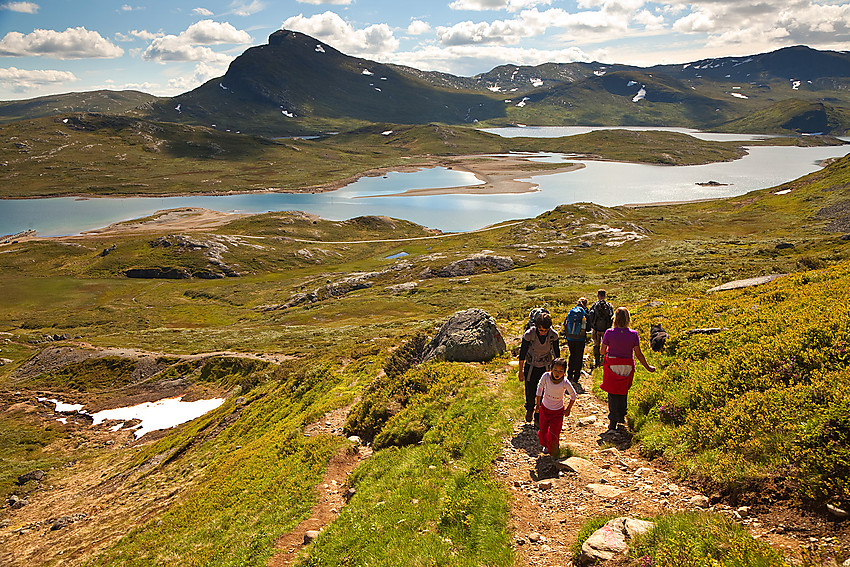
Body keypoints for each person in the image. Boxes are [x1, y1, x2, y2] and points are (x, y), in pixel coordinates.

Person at [600, 307, 656, 432]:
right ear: (628, 319)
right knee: (623, 390)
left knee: (613, 392)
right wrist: (648, 367)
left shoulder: (609, 332)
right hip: (627, 366)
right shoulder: (634, 334)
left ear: (615, 318)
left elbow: (602, 351)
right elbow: (638, 354)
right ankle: (621, 418)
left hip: (612, 365)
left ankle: (613, 421)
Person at [518, 311, 560, 427]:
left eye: (545, 330)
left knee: (543, 393)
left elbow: (557, 355)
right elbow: (522, 354)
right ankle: (530, 408)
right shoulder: (529, 334)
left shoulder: (553, 335)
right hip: (531, 366)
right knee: (530, 390)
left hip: (546, 367)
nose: (543, 333)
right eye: (541, 330)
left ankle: (538, 418)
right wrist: (521, 371)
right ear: (537, 327)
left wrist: (558, 372)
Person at [535, 358, 576, 457]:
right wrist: (538, 404)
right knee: (543, 429)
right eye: (555, 370)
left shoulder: (564, 382)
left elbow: (573, 395)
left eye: (561, 371)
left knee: (555, 431)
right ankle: (546, 445)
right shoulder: (546, 376)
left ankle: (554, 452)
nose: (557, 373)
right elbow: (539, 389)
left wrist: (568, 409)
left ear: (564, 372)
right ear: (551, 369)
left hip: (558, 411)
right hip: (545, 408)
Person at [563, 297, 589, 392]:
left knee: (572, 355)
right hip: (580, 338)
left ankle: (569, 374)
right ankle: (576, 377)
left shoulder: (571, 311)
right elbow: (589, 326)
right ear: (585, 303)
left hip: (570, 338)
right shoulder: (584, 313)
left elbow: (565, 324)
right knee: (579, 356)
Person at [589, 289, 614, 368]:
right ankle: (604, 361)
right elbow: (612, 316)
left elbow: (590, 316)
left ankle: (597, 362)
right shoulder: (609, 305)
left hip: (596, 329)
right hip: (606, 330)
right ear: (605, 295)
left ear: (598, 296)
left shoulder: (594, 305)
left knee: (596, 345)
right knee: (606, 345)